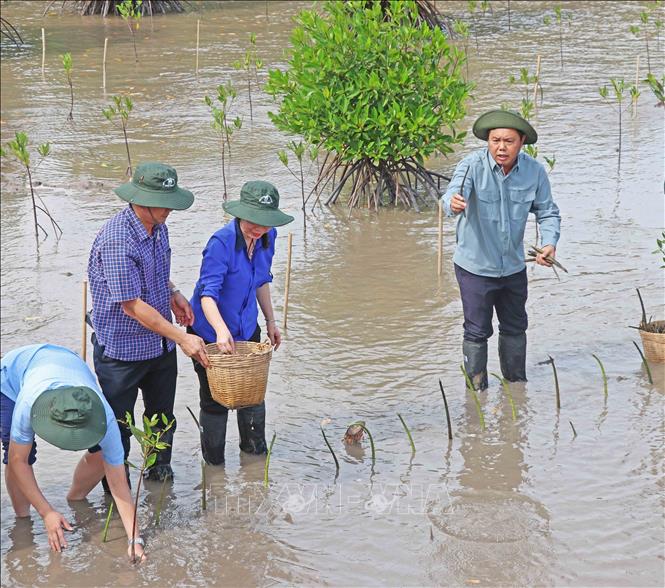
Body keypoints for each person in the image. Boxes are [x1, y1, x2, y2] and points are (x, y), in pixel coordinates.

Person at [88, 162, 209, 482]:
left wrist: (174, 293)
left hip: (159, 344)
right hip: (121, 350)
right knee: (117, 427)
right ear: (140, 199)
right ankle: (116, 490)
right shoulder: (117, 239)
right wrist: (183, 338)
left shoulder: (158, 226)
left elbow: (154, 275)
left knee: (161, 418)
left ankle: (159, 473)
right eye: (163, 202)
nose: (170, 209)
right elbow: (131, 305)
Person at [441, 110, 561, 390]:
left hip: (513, 266)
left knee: (516, 326)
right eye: (495, 140)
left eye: (508, 141)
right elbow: (450, 196)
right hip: (475, 267)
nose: (501, 147)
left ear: (521, 142)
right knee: (476, 331)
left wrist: (549, 243)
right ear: (488, 141)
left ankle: (517, 388)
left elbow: (548, 212)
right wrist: (453, 203)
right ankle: (476, 394)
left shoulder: (534, 171)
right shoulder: (471, 166)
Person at [1, 344, 145, 561]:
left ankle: (75, 497)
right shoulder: (28, 402)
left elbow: (118, 484)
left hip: (67, 361)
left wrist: (135, 540)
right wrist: (46, 512)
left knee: (101, 452)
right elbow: (17, 460)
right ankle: (23, 519)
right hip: (11, 378)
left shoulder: (105, 417)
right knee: (19, 454)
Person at [189, 181, 294, 465]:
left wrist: (271, 321)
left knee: (252, 395)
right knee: (214, 402)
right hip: (210, 330)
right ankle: (214, 468)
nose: (258, 228)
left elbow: (261, 281)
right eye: (253, 221)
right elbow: (206, 296)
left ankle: (255, 460)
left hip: (247, 329)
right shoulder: (221, 243)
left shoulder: (267, 238)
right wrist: (221, 331)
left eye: (265, 222)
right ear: (240, 214)